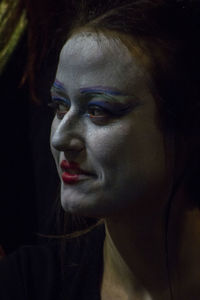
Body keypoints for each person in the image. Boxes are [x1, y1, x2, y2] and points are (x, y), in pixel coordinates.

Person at [1, 0, 200, 299]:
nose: (60, 139)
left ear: (184, 127)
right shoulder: (26, 284)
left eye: (99, 111)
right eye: (59, 106)